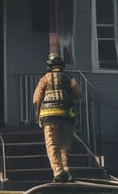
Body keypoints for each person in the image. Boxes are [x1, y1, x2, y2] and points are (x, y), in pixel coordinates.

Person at [32, 52, 84, 183]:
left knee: (52, 144)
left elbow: (37, 99)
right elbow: (79, 95)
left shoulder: (44, 78)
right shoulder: (68, 78)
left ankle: (58, 171)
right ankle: (66, 170)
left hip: (49, 117)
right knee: (64, 144)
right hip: (66, 116)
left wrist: (37, 116)